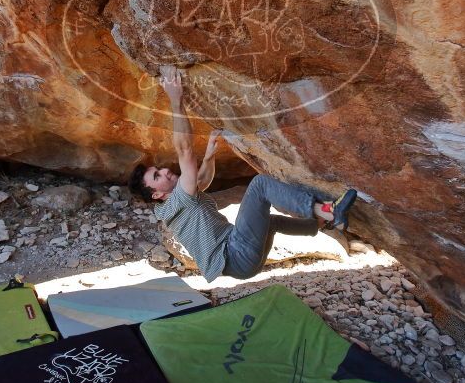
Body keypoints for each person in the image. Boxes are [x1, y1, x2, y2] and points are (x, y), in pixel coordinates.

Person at [128, 65, 358, 283]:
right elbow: (184, 150)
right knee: (260, 186)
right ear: (157, 194)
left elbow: (201, 181)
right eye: (157, 176)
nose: (165, 171)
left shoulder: (173, 206)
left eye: (158, 170)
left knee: (269, 221)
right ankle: (329, 212)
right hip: (235, 252)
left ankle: (318, 224)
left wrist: (208, 158)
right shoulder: (178, 200)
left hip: (242, 264)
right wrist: (175, 100)